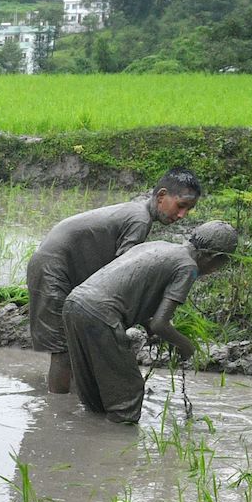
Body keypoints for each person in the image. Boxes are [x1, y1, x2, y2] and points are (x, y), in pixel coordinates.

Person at [27, 167, 202, 396]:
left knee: (74, 343)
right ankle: (57, 411)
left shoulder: (136, 212)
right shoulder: (140, 221)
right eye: (180, 206)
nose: (182, 215)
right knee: (64, 349)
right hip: (54, 268)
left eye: (188, 210)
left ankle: (73, 398)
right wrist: (148, 319)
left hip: (59, 265)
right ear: (161, 196)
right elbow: (123, 274)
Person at [64, 221, 238, 424]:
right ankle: (117, 449)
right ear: (214, 258)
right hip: (101, 314)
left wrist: (147, 326)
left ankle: (90, 437)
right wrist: (185, 346)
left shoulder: (158, 245)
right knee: (128, 394)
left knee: (94, 392)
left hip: (74, 303)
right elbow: (160, 324)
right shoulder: (188, 268)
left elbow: (134, 292)